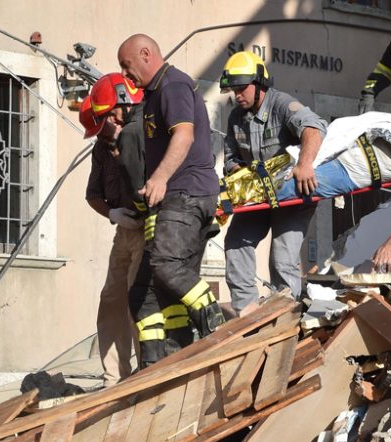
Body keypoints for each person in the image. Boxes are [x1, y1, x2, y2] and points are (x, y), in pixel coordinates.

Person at [227, 113, 391, 271]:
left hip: (346, 172)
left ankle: (224, 199)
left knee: (286, 184)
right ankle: (227, 188)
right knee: (279, 166)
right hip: (340, 146)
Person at [117, 34, 223, 366]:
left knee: (167, 265)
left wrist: (160, 177)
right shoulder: (153, 95)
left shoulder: (173, 86)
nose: (125, 74)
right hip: (172, 201)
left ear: (146, 53)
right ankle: (159, 364)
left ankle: (215, 325)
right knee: (143, 296)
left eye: (127, 65)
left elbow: (184, 134)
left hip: (187, 194)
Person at [220, 51, 327, 311]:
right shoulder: (236, 117)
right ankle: (246, 314)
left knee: (282, 258)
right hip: (259, 197)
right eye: (233, 90)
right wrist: (236, 172)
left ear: (259, 84)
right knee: (236, 243)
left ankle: (285, 316)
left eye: (242, 88)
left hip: (292, 197)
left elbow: (315, 127)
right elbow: (231, 157)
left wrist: (304, 164)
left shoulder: (282, 104)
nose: (237, 95)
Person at [81, 91, 143, 385]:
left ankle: (148, 370)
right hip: (123, 230)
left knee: (138, 299)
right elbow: (92, 195)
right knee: (111, 299)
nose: (103, 130)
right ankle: (114, 378)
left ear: (119, 109)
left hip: (148, 228)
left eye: (105, 120)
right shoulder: (101, 148)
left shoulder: (141, 133)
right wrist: (112, 213)